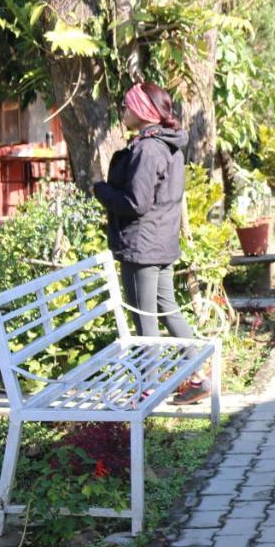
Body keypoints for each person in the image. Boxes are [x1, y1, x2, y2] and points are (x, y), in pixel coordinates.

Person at [93, 81, 206, 405]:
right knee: (168, 310)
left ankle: (148, 390)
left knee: (145, 319)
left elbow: (135, 202)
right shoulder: (168, 144)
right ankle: (198, 378)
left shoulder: (146, 149)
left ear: (143, 111)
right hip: (162, 241)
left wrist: (101, 190)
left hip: (142, 246)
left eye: (128, 106)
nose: (124, 112)